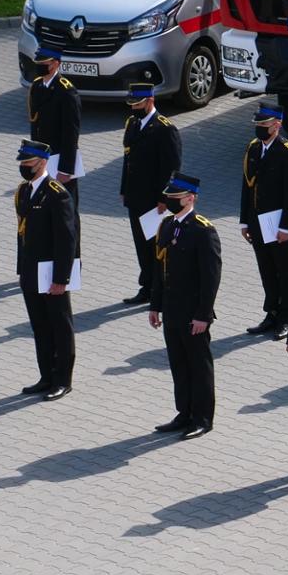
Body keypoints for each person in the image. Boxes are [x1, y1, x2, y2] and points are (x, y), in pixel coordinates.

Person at [147, 173, 221, 441]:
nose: (170, 201)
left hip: (193, 312)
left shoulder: (203, 230)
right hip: (171, 308)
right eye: (170, 197)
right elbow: (159, 268)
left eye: (175, 198)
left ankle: (202, 418)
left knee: (198, 366)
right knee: (178, 363)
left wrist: (203, 315)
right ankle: (184, 412)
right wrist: (155, 306)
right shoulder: (166, 226)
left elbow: (211, 277)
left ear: (190, 199)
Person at [15, 140, 78, 401]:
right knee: (40, 326)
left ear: (42, 162)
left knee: (59, 326)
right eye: (22, 163)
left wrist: (61, 278)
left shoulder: (57, 193)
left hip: (52, 273)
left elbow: (66, 239)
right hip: (31, 271)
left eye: (28, 163)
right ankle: (46, 375)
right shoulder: (24, 191)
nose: (24, 167)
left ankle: (62, 379)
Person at [241, 101, 288, 340]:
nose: (259, 128)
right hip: (258, 221)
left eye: (264, 124)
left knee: (285, 271)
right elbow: (247, 186)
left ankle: (287, 317)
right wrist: (244, 221)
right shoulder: (253, 148)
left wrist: (286, 227)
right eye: (257, 123)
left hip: (279, 223)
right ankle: (272, 313)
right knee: (266, 269)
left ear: (277, 125)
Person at [118, 83, 182, 305]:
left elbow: (172, 168)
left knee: (158, 247)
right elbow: (128, 160)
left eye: (138, 103)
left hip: (155, 202)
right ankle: (147, 286)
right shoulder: (133, 124)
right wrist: (124, 189)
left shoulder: (165, 129)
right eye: (132, 104)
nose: (134, 108)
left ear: (150, 101)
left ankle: (162, 289)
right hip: (136, 197)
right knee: (141, 245)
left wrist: (165, 198)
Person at [26, 48, 81, 214]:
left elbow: (71, 133)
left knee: (65, 210)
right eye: (38, 63)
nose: (40, 66)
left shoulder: (66, 91)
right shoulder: (37, 86)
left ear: (56, 64)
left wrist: (66, 169)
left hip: (60, 161)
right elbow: (35, 127)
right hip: (43, 160)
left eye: (44, 64)